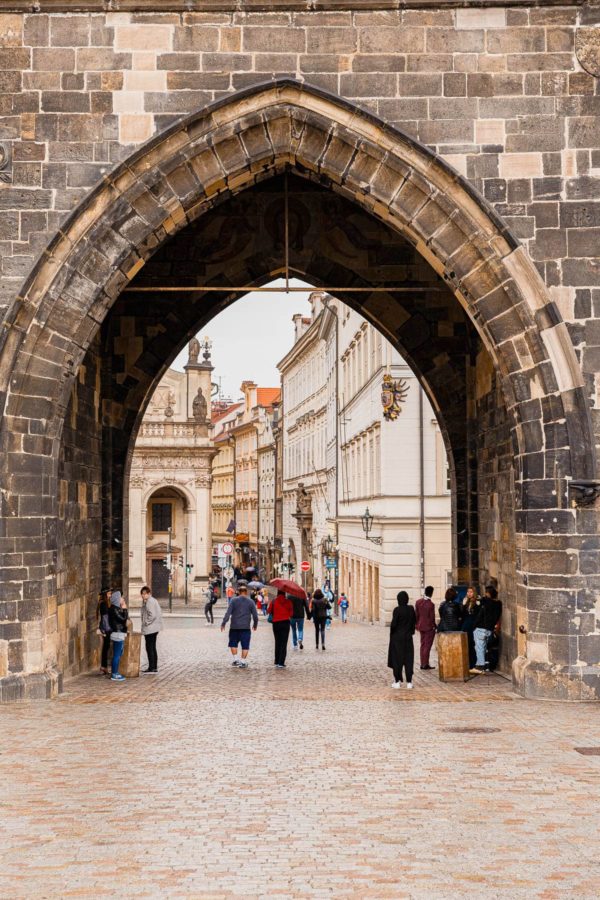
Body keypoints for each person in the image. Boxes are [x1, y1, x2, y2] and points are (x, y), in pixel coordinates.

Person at [221, 584, 258, 669]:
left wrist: (223, 623)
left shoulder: (233, 601)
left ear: (238, 592)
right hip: (245, 628)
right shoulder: (251, 602)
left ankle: (235, 659)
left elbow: (228, 613)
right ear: (246, 592)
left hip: (234, 627)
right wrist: (255, 625)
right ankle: (243, 662)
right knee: (245, 645)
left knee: (233, 643)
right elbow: (255, 616)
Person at [387, 591, 416, 690]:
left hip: (397, 638)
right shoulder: (411, 609)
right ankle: (409, 682)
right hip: (408, 637)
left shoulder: (397, 610)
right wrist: (411, 632)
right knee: (408, 659)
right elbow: (413, 622)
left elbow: (393, 624)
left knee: (397, 660)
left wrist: (392, 635)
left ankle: (397, 681)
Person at [471, 585, 502, 674]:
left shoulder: (486, 602)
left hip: (481, 627)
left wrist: (475, 626)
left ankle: (480, 666)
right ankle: (481, 664)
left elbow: (482, 604)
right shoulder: (498, 604)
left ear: (488, 593)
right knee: (483, 647)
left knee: (479, 647)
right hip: (490, 629)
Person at [267, 591, 294, 668]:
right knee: (284, 643)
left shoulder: (274, 601)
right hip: (285, 623)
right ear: (285, 594)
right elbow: (291, 614)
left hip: (276, 623)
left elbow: (268, 611)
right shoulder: (289, 602)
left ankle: (276, 660)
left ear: (277, 593)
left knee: (277, 642)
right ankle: (281, 663)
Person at [140, 585, 163, 674]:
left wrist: (146, 622)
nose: (143, 595)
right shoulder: (153, 600)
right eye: (142, 594)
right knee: (152, 647)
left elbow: (152, 615)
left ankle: (152, 667)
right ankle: (153, 667)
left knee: (150, 648)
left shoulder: (149, 601)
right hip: (154, 628)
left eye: (145, 594)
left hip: (150, 629)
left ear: (149, 593)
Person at [108, 590, 129, 682]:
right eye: (121, 597)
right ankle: (114, 674)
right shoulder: (114, 609)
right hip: (117, 634)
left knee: (119, 653)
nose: (122, 599)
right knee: (116, 655)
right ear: (117, 599)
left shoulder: (116, 608)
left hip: (119, 633)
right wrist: (125, 609)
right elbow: (123, 619)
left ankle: (115, 672)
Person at [415, 585, 436, 670]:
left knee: (422, 645)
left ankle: (422, 663)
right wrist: (434, 626)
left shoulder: (418, 602)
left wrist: (416, 624)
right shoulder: (431, 604)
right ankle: (425, 664)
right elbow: (432, 618)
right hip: (428, 627)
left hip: (420, 626)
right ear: (431, 593)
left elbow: (416, 615)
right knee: (427, 646)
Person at [461, 585, 480, 669]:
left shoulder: (477, 602)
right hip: (466, 625)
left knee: (472, 644)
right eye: (468, 592)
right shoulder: (465, 601)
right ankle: (467, 663)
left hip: (473, 625)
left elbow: (478, 615)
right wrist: (463, 605)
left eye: (471, 592)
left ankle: (473, 663)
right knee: (466, 644)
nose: (469, 593)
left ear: (474, 593)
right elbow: (462, 614)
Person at [97, 587, 112, 676]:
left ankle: (104, 666)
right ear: (105, 594)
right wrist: (107, 630)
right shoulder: (103, 604)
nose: (110, 595)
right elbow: (105, 618)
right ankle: (103, 666)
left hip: (106, 628)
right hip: (106, 629)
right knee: (105, 648)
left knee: (106, 648)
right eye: (109, 594)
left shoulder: (104, 603)